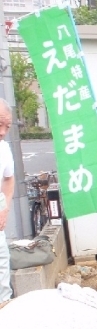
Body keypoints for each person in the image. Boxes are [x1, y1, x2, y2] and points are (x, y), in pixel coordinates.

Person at [0, 99, 15, 304]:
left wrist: (5, 209)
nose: (3, 132)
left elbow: (9, 178)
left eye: (7, 127)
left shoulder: (4, 148)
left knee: (2, 261)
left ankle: (5, 306)